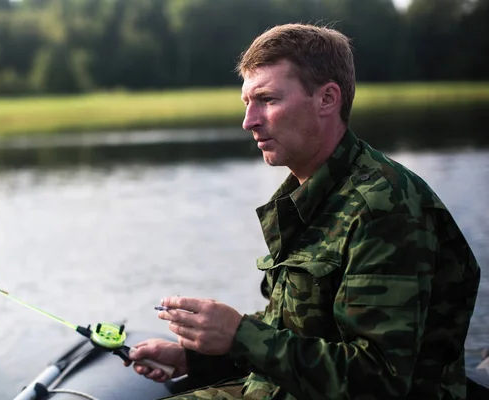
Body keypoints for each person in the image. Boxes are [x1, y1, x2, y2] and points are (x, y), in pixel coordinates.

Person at [125, 23, 482, 399]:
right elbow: (300, 330)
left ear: (327, 98)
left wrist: (239, 335)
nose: (249, 121)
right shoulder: (311, 193)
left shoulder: (383, 210)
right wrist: (196, 359)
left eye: (268, 100)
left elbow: (380, 380)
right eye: (247, 102)